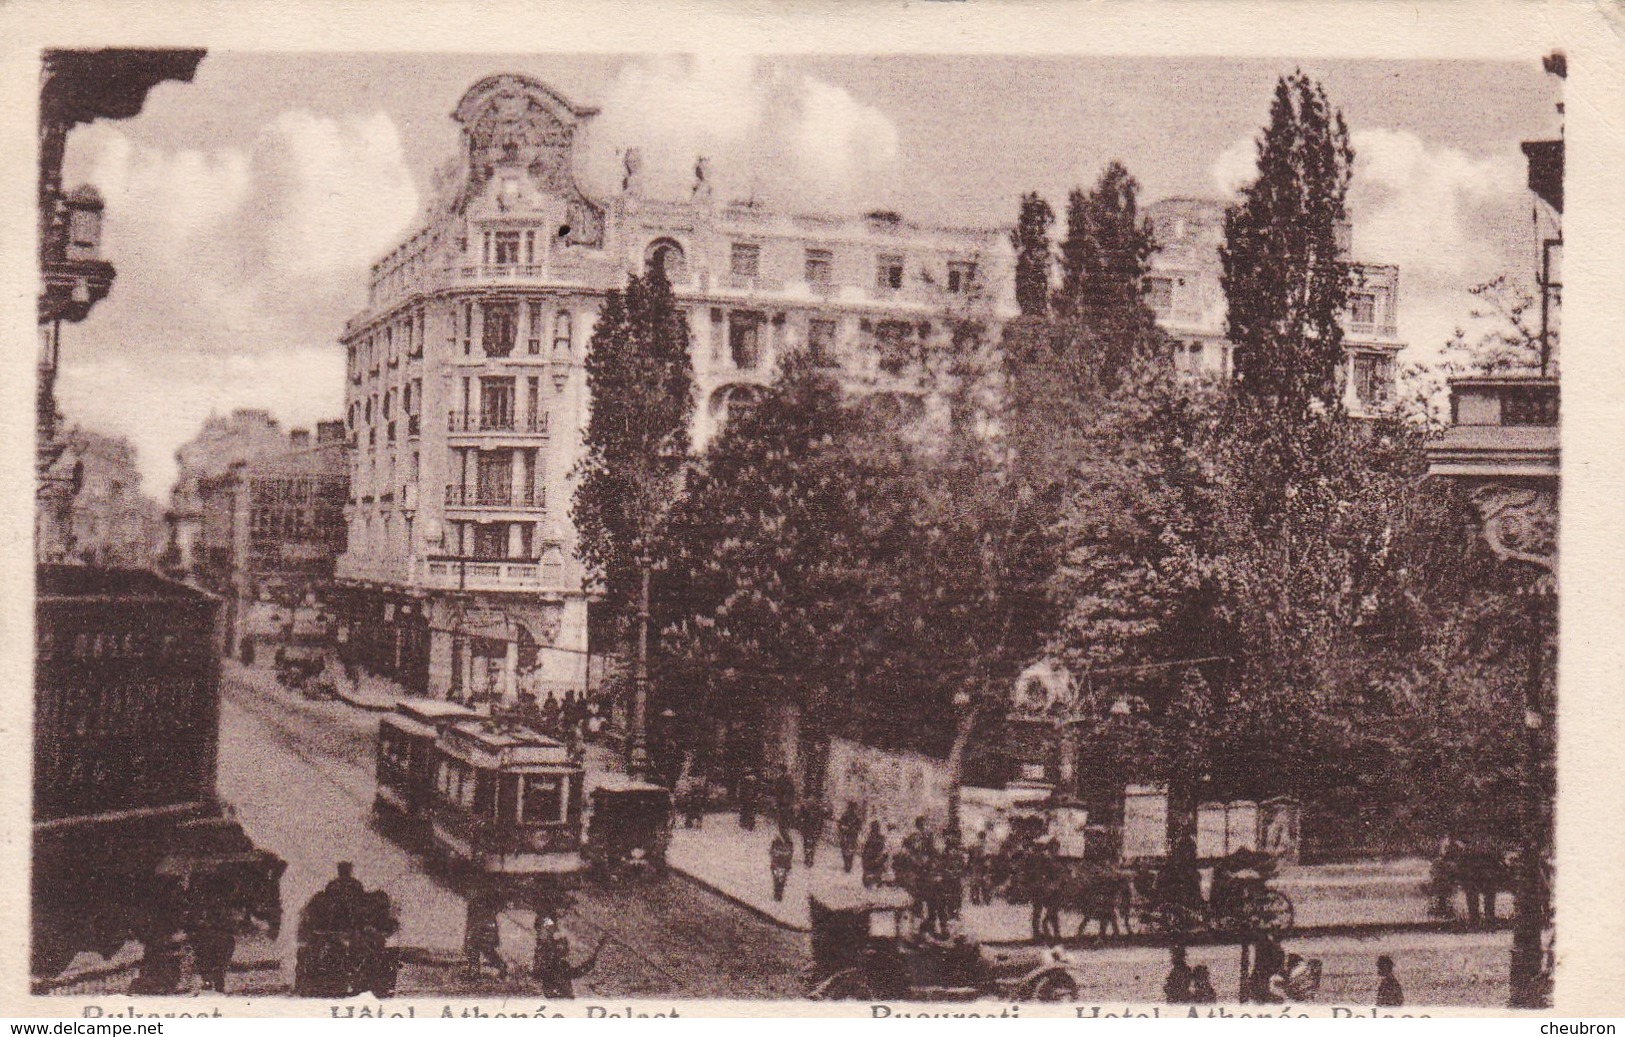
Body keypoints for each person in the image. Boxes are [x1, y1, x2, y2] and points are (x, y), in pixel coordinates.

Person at [533, 916, 604, 998]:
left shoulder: (553, 968)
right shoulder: (558, 971)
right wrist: (594, 956)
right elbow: (577, 971)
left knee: (547, 945)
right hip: (556, 982)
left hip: (554, 979)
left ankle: (546, 921)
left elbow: (576, 972)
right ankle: (547, 921)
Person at [798, 796, 827, 868]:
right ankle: (809, 858)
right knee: (811, 844)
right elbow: (821, 822)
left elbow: (801, 819)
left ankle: (808, 858)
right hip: (812, 830)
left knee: (808, 844)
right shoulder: (817, 812)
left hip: (809, 830)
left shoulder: (807, 811)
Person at [837, 801, 864, 873]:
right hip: (850, 835)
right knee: (849, 849)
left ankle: (847, 864)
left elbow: (840, 824)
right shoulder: (850, 816)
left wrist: (844, 828)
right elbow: (840, 824)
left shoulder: (847, 815)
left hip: (848, 835)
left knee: (846, 849)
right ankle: (848, 864)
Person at [769, 828, 794, 901]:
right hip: (783, 866)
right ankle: (778, 895)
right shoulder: (789, 844)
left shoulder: (776, 844)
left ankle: (777, 894)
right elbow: (790, 855)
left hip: (777, 866)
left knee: (777, 880)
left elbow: (772, 853)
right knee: (781, 881)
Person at [861, 821, 888, 888]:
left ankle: (876, 878)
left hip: (874, 859)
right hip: (871, 859)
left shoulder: (872, 838)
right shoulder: (870, 838)